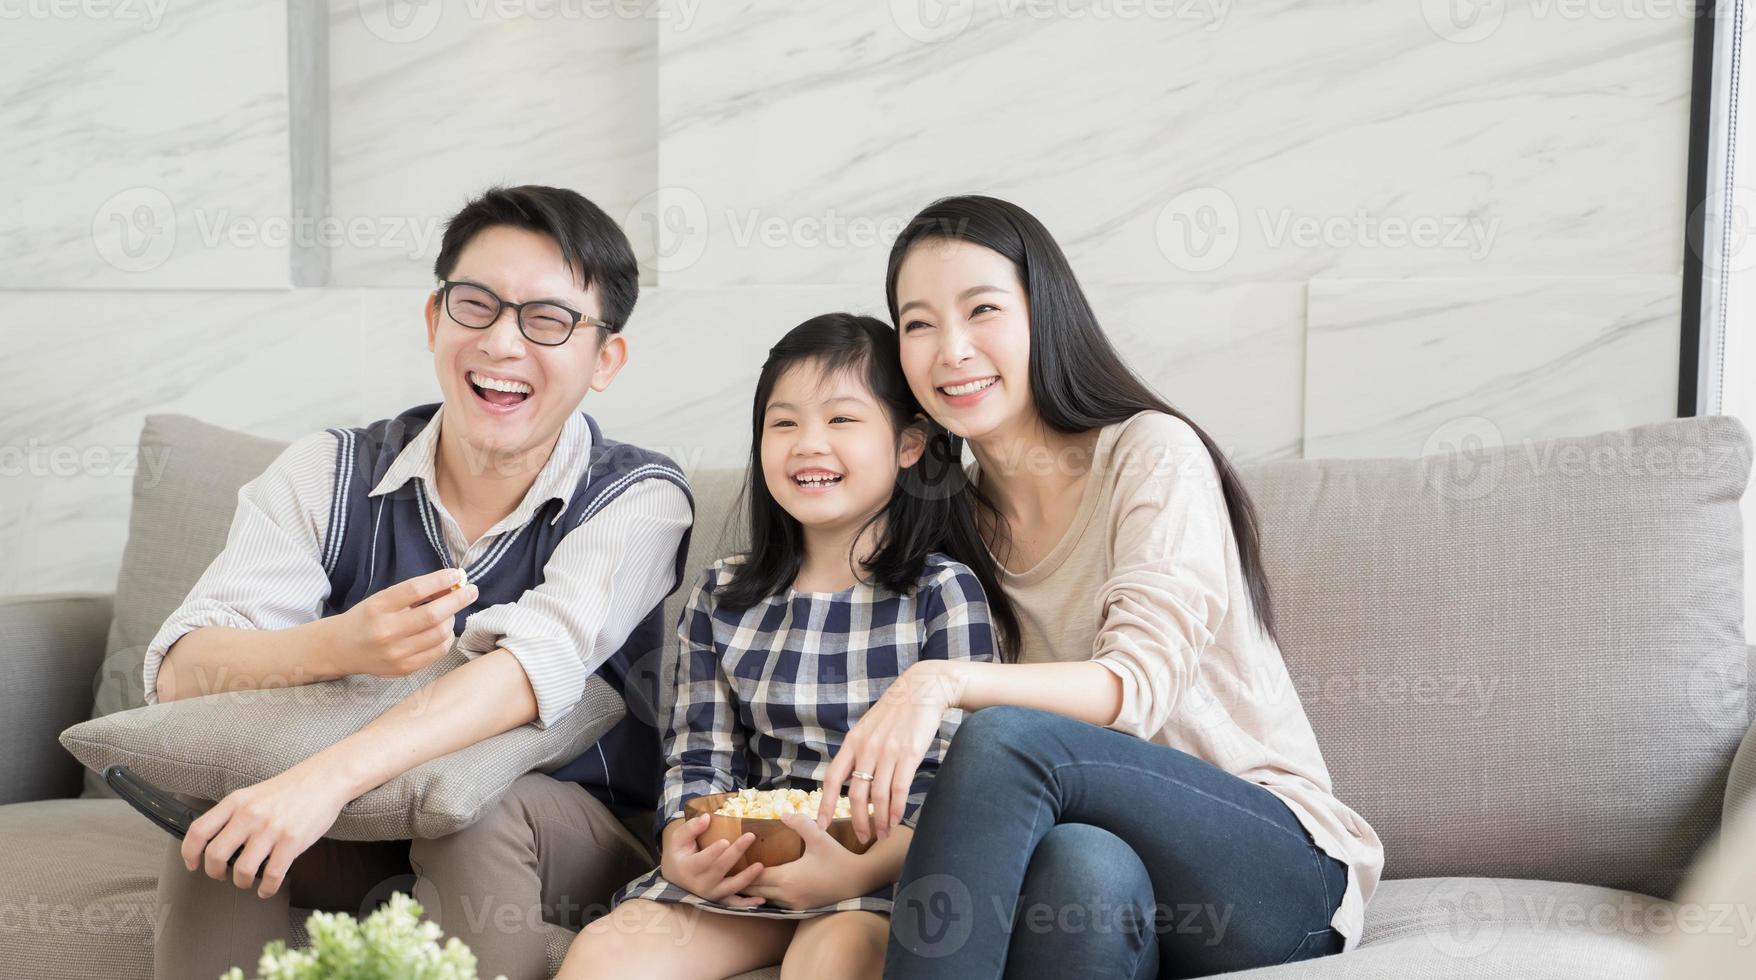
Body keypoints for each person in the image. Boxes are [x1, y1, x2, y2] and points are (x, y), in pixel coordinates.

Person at [812, 195, 1386, 979]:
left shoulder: (1151, 452)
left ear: (1043, 311)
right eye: (918, 324)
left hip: (1274, 872)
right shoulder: (951, 520)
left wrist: (939, 683)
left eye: (982, 310)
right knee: (1080, 867)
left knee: (1006, 733)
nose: (952, 350)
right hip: (1127, 882)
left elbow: (1137, 685)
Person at [145, 185, 693, 980]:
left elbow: (528, 670)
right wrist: (337, 645)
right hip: (356, 826)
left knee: (472, 813)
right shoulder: (326, 471)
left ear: (604, 358)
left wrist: (317, 782)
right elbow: (180, 671)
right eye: (477, 305)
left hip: (557, 829)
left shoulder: (639, 498)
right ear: (436, 318)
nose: (503, 343)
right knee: (220, 818)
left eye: (547, 320)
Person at [557, 313, 1015, 980]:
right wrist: (682, 842)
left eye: (841, 420)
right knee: (606, 951)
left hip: (883, 873)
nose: (808, 445)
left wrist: (851, 869)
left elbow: (955, 788)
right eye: (784, 422)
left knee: (829, 956)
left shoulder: (943, 593)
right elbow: (698, 756)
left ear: (909, 444)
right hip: (748, 867)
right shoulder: (724, 594)